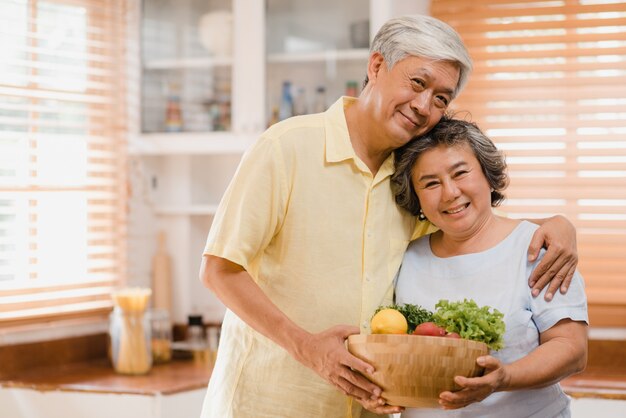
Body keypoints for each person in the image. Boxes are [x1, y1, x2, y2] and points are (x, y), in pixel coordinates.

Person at [198, 15, 579, 418]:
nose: (423, 106)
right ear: (376, 66)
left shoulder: (413, 178)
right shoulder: (285, 148)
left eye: (441, 98)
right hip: (269, 404)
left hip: (366, 409)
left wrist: (557, 225)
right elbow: (219, 270)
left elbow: (471, 221)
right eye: (417, 83)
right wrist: (307, 347)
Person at [388, 117, 588, 417]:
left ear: (487, 175)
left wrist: (504, 378)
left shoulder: (537, 247)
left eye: (461, 173)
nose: (450, 193)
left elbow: (571, 348)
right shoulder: (404, 257)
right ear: (415, 197)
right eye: (430, 183)